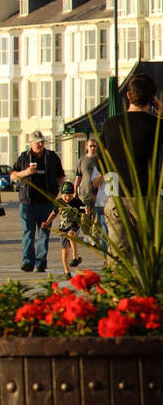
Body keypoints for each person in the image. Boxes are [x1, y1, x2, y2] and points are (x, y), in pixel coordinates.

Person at [97, 74, 163, 260]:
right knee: (152, 262)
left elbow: (101, 163)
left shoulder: (110, 125)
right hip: (147, 199)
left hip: (117, 197)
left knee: (119, 262)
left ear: (128, 95)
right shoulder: (156, 125)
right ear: (153, 99)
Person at [10, 130, 65, 273]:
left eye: (42, 141)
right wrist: (26, 173)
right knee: (28, 232)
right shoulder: (23, 157)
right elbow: (13, 176)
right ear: (31, 143)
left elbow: (61, 176)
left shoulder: (52, 157)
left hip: (46, 203)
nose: (41, 144)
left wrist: (56, 191)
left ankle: (41, 263)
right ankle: (27, 261)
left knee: (44, 233)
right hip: (27, 203)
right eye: (38, 142)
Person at [42, 181, 85, 277]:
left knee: (71, 235)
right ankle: (67, 272)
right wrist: (47, 222)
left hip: (74, 225)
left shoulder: (77, 202)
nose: (67, 198)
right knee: (65, 251)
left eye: (69, 195)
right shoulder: (59, 202)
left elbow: (84, 210)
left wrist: (87, 212)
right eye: (65, 195)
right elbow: (53, 214)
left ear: (73, 194)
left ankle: (75, 257)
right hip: (62, 228)